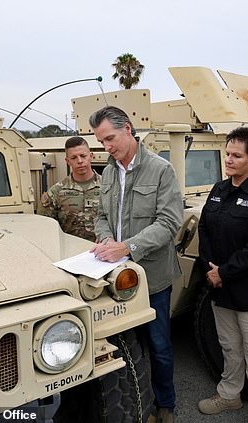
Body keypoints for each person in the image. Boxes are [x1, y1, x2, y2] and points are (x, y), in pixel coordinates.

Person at [88, 106, 183, 423]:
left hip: (151, 277)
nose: (107, 147)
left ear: (128, 129)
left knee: (158, 345)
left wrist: (127, 247)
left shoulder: (160, 170)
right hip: (115, 277)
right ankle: (137, 403)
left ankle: (165, 405)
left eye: (110, 139)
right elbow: (102, 216)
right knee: (125, 345)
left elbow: (170, 222)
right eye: (101, 142)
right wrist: (104, 241)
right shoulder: (110, 171)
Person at [197, 127, 248, 423]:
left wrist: (225, 272)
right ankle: (230, 395)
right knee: (230, 348)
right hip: (221, 290)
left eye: (236, 155)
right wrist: (211, 269)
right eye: (227, 154)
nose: (229, 160)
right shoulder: (219, 190)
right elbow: (204, 229)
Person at [37, 136, 101, 241]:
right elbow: (45, 226)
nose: (79, 161)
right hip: (70, 252)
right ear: (67, 161)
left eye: (83, 156)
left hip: (104, 251)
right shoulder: (56, 192)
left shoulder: (108, 187)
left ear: (91, 156)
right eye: (74, 158)